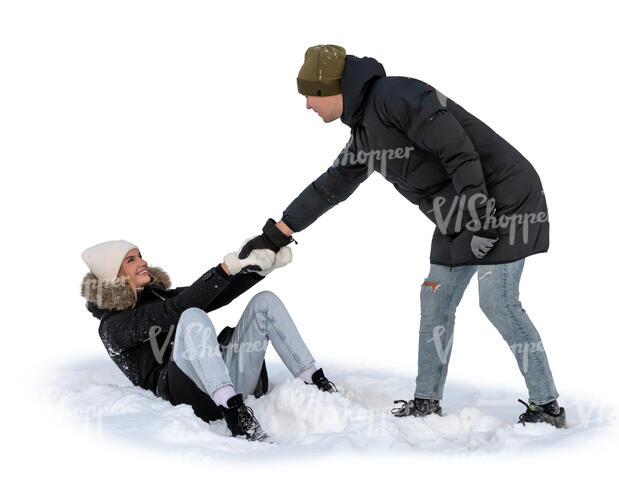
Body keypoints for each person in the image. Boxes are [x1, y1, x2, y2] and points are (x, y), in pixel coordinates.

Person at [238, 44, 565, 428]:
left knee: (498, 301)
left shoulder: (398, 96)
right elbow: (331, 186)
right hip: (459, 212)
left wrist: (482, 218)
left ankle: (547, 406)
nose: (308, 105)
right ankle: (427, 400)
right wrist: (278, 232)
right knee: (434, 297)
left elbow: (458, 151)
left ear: (330, 89)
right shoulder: (364, 135)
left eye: (310, 95)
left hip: (504, 199)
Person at [80, 239, 336, 442]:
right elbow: (181, 308)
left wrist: (256, 271)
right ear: (113, 273)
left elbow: (214, 297)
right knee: (191, 314)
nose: (143, 261)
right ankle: (235, 416)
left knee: (264, 302)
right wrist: (225, 269)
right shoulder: (112, 327)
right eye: (131, 259)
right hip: (190, 397)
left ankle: (315, 382)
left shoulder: (158, 297)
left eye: (140, 255)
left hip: (223, 379)